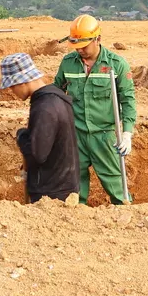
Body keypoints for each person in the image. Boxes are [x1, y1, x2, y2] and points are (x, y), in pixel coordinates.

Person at [53, 15, 136, 204]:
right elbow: (57, 91)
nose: (80, 50)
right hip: (76, 134)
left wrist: (127, 134)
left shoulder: (116, 65)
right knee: (73, 186)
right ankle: (76, 222)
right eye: (76, 46)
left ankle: (126, 217)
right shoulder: (68, 63)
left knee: (116, 183)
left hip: (104, 135)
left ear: (97, 39)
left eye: (84, 45)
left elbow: (128, 100)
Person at [2, 53, 80, 203]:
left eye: (12, 87)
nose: (13, 92)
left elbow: (38, 154)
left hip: (52, 193)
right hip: (65, 185)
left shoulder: (44, 107)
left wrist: (22, 136)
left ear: (22, 82)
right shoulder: (57, 97)